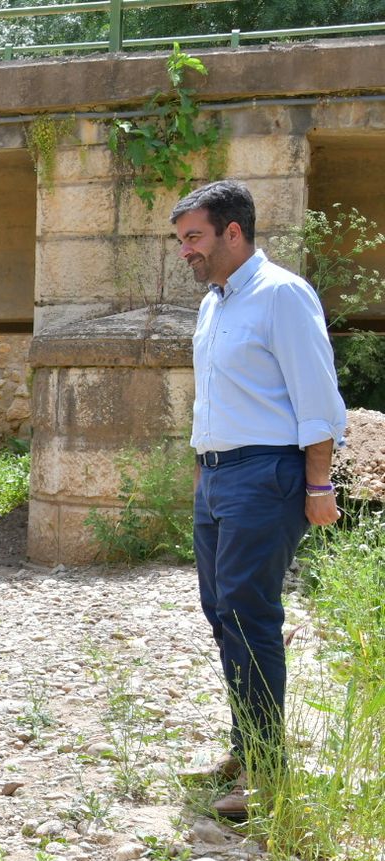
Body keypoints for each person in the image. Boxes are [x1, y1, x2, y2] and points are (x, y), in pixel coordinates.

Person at [169, 180, 347, 821]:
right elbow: (211, 402)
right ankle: (248, 746)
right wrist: (201, 475)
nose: (185, 251)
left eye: (193, 237)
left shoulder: (283, 296)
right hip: (217, 478)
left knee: (250, 617)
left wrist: (320, 484)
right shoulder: (213, 305)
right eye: (181, 240)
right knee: (222, 612)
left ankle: (267, 774)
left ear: (232, 233)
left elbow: (318, 400)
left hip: (266, 474)